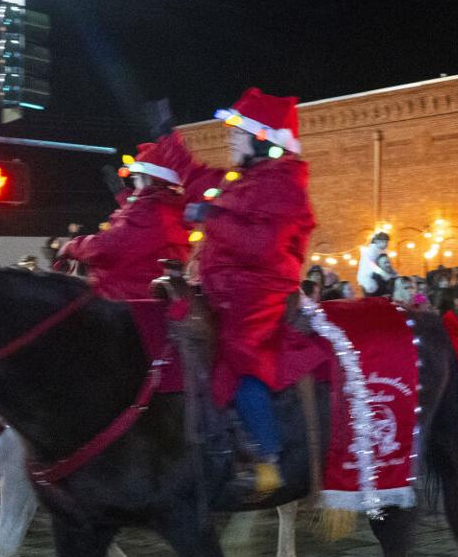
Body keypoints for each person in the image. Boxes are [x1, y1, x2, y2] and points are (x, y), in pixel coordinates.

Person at [187, 88, 315, 494]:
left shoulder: (283, 185)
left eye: (238, 133)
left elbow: (263, 246)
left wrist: (212, 217)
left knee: (237, 354)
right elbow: (195, 179)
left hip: (261, 289)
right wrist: (168, 143)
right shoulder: (247, 179)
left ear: (263, 140)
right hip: (230, 289)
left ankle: (267, 455)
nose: (230, 139)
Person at [57, 133, 200, 300]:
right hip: (149, 301)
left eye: (136, 178)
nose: (134, 184)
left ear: (149, 179)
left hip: (123, 302)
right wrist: (123, 196)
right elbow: (138, 233)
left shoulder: (150, 212)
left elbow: (105, 248)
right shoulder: (171, 209)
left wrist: (70, 246)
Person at [357, 232, 397, 297]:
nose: (387, 245)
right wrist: (384, 274)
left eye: (387, 242)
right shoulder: (371, 251)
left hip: (379, 277)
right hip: (370, 278)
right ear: (377, 241)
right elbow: (371, 265)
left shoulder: (383, 250)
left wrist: (393, 272)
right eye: (385, 242)